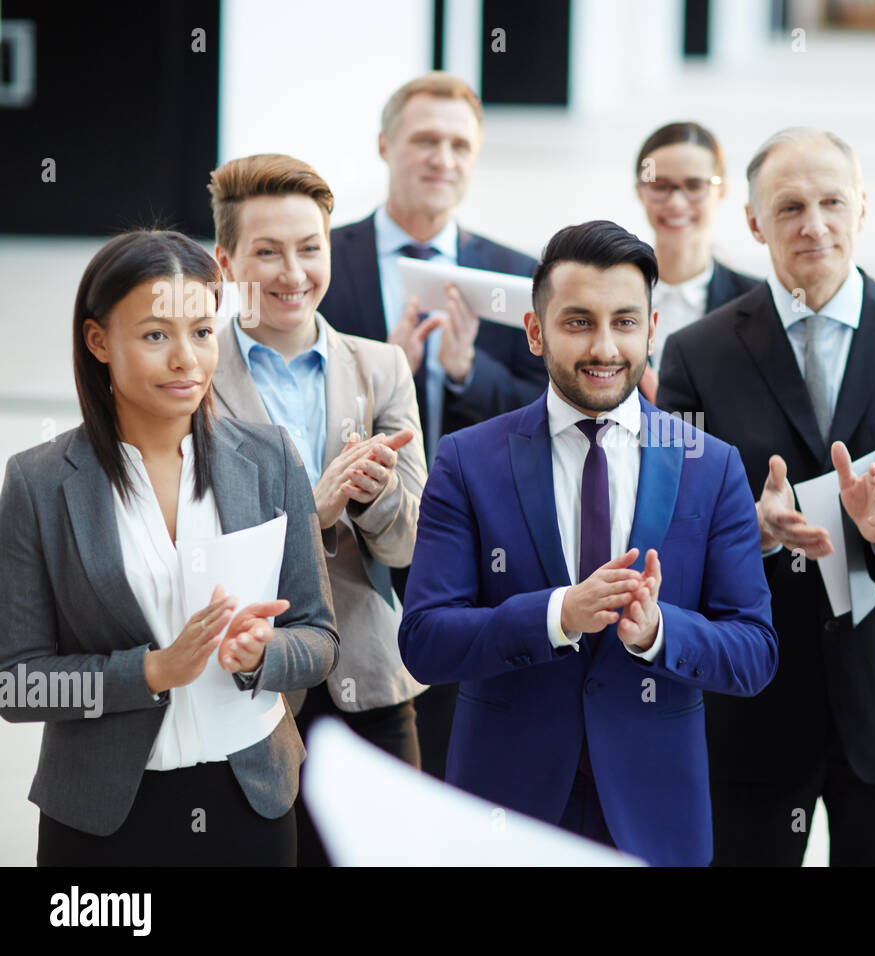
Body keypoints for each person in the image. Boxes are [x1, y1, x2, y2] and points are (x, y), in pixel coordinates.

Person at [397, 220, 778, 867]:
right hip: (502, 812)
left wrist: (659, 632)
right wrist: (556, 616)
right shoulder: (466, 460)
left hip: (654, 816)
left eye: (625, 323)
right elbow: (426, 643)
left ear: (652, 330)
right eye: (578, 322)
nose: (605, 347)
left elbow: (754, 651)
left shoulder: (711, 465)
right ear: (535, 331)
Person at [657, 127, 875, 866]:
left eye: (833, 201)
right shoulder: (695, 355)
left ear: (862, 208)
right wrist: (755, 527)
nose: (814, 224)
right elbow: (670, 516)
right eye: (790, 206)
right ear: (751, 223)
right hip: (753, 692)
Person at [0, 230, 339, 866]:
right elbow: (17, 687)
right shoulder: (38, 482)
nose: (186, 358)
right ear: (98, 340)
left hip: (251, 801)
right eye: (156, 335)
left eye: (202, 332)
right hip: (103, 820)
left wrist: (262, 655)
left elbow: (319, 639)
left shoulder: (270, 459)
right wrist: (153, 671)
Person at [319, 70, 547, 778]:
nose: (441, 158)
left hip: (476, 547)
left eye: (458, 144)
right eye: (424, 140)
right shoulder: (322, 256)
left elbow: (550, 411)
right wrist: (379, 370)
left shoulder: (515, 274)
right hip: (349, 553)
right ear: (386, 145)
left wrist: (464, 374)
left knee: (454, 748)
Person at [206, 154, 428, 865]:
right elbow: (194, 545)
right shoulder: (195, 379)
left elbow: (409, 547)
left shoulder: (381, 368)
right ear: (224, 261)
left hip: (369, 683)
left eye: (310, 248)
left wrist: (378, 495)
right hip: (246, 685)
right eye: (266, 252)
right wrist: (314, 511)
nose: (293, 273)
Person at [632, 121, 759, 400]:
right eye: (660, 185)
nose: (677, 202)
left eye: (694, 185)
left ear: (721, 190)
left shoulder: (759, 303)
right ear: (640, 190)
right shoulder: (609, 294)